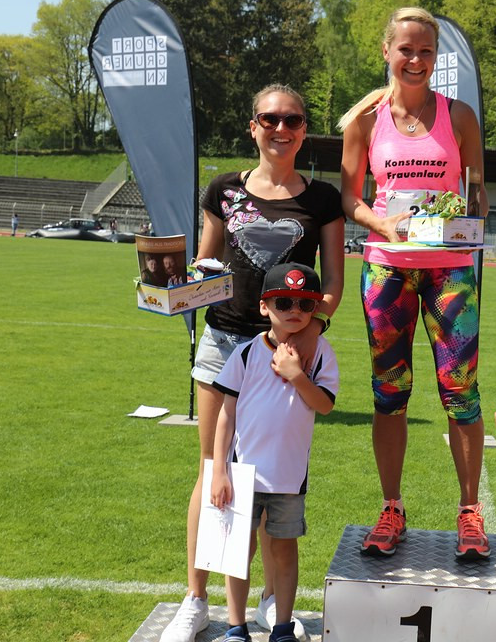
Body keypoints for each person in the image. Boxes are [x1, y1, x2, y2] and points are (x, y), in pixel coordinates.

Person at [160, 84, 344, 642]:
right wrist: (171, 287)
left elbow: (332, 284)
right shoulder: (223, 189)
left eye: (292, 119)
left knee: (274, 477)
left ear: (304, 129)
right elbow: (205, 265)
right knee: (214, 470)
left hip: (289, 348)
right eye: (270, 118)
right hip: (224, 340)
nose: (281, 128)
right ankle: (196, 599)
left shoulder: (322, 199)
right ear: (253, 126)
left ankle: (271, 601)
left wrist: (309, 333)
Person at [338, 7, 490, 560]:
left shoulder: (461, 116)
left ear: (436, 58)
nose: (416, 60)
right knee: (389, 394)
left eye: (427, 51)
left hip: (449, 271)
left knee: (461, 393)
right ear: (387, 52)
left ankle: (469, 512)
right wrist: (384, 223)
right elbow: (350, 198)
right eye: (406, 49)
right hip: (386, 268)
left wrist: (466, 222)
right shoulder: (364, 121)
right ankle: (392, 506)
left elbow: (477, 194)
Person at [211, 263, 338, 642]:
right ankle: (236, 627)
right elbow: (226, 416)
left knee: (284, 552)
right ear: (265, 307)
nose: (294, 309)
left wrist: (297, 373)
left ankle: (282, 625)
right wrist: (219, 471)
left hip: (288, 476)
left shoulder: (320, 354)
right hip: (242, 475)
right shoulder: (247, 354)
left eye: (305, 303)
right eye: (283, 301)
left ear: (315, 310)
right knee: (239, 552)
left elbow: (325, 405)